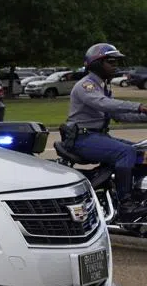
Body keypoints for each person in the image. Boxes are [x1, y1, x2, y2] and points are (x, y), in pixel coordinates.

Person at [63, 43, 147, 219]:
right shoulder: (86, 86)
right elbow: (103, 104)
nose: (115, 65)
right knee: (127, 152)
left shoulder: (103, 87)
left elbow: (119, 115)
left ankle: (136, 195)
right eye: (111, 61)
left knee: (141, 153)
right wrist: (138, 106)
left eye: (116, 61)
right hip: (82, 139)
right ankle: (126, 204)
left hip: (98, 137)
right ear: (96, 64)